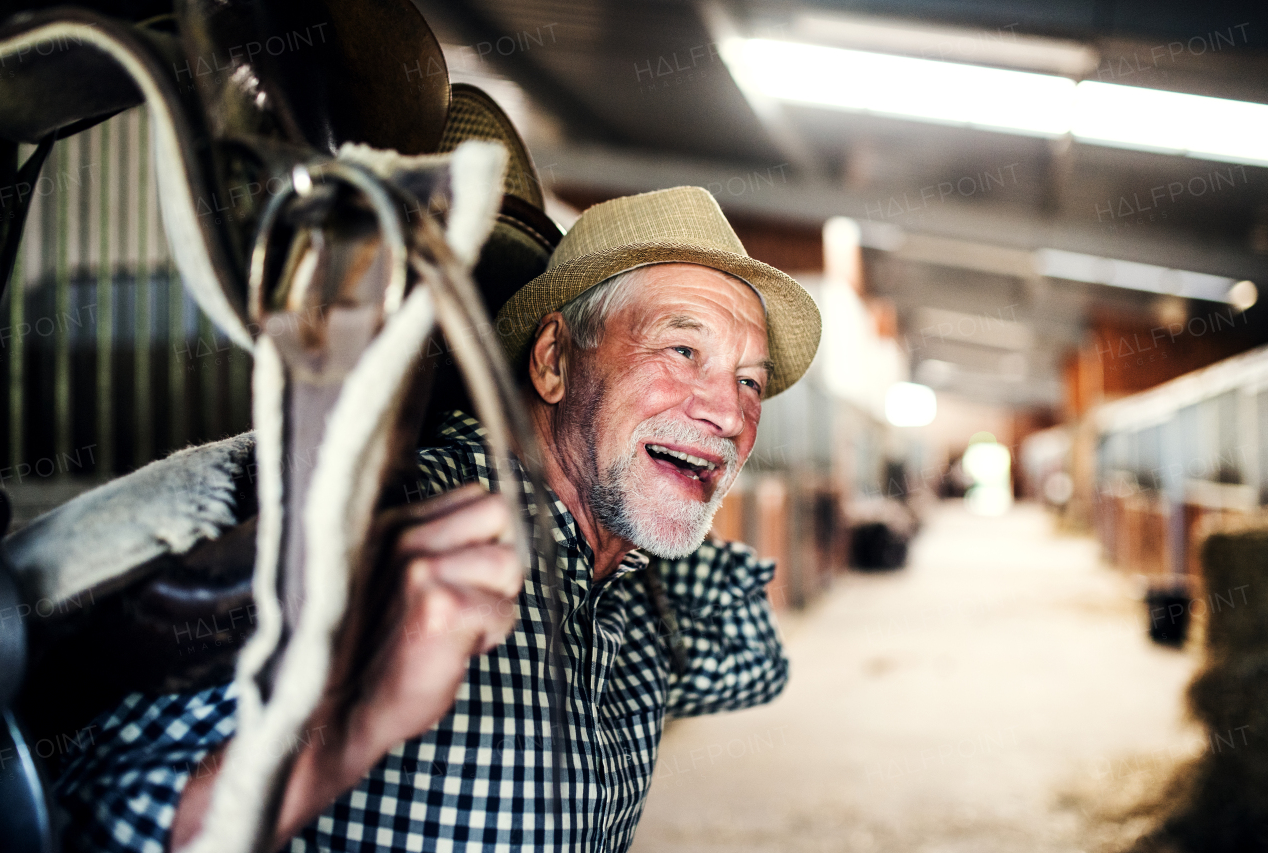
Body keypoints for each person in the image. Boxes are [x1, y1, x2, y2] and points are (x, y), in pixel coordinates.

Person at [54, 185, 821, 852]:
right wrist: (353, 721)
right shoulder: (372, 534)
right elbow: (81, 828)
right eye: (682, 349)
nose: (727, 412)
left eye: (749, 382)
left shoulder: (633, 577)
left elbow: (758, 662)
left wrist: (659, 519)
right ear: (553, 360)